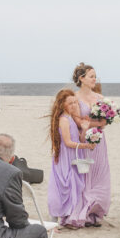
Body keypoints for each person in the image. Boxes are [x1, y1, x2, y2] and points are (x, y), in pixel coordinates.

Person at [47, 89, 96, 229]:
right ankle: (57, 218)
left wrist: (85, 129)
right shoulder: (63, 120)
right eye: (70, 103)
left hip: (74, 155)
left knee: (74, 185)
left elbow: (78, 138)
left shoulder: (71, 119)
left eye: (75, 102)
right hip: (66, 156)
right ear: (62, 104)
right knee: (64, 185)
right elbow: (68, 142)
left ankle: (68, 217)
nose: (74, 105)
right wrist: (86, 146)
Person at [73, 63, 110, 227]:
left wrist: (93, 124)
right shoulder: (75, 98)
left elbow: (104, 122)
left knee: (99, 175)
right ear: (81, 79)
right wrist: (90, 124)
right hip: (82, 140)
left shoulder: (100, 98)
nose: (94, 79)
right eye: (91, 76)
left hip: (98, 141)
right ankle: (83, 212)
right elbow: (77, 121)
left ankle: (95, 211)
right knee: (84, 174)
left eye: (95, 76)